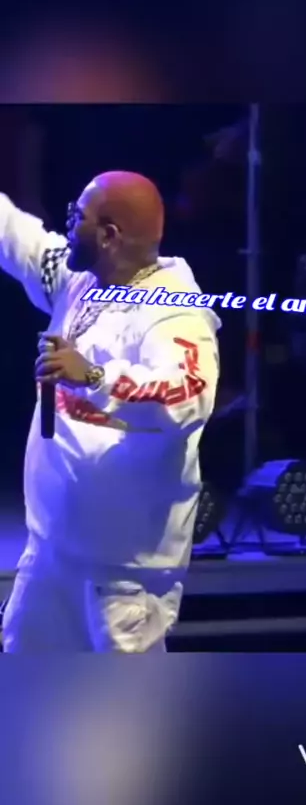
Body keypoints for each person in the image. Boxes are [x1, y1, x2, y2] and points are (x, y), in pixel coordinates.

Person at [0, 171, 221, 652]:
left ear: (109, 235)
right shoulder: (79, 282)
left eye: (77, 215)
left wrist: (96, 377)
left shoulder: (173, 312)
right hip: (51, 557)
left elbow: (188, 397)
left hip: (122, 578)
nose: (67, 221)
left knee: (123, 698)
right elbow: (15, 236)